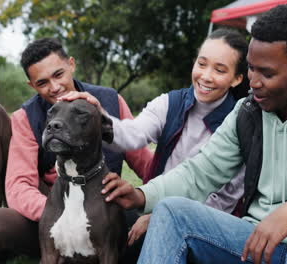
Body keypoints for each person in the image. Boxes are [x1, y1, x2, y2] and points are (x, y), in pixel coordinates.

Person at [102, 4, 287, 264]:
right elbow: (198, 174)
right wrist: (142, 195)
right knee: (171, 212)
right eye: (250, 69)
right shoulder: (249, 111)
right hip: (255, 244)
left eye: (266, 73)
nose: (253, 82)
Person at [0, 38, 152, 264]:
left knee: (148, 232)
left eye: (58, 74)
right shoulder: (27, 117)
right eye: (42, 82)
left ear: (71, 64)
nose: (54, 87)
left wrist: (149, 200)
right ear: (31, 85)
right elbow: (19, 185)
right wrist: (64, 216)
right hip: (49, 213)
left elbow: (147, 164)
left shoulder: (110, 101)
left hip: (101, 212)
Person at [60, 27, 250, 251]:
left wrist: (162, 216)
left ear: (237, 79)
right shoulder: (171, 103)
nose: (206, 76)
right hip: (153, 202)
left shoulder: (240, 123)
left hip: (206, 224)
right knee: (105, 227)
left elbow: (222, 200)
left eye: (219, 70)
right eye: (201, 64)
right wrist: (98, 114)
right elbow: (132, 134)